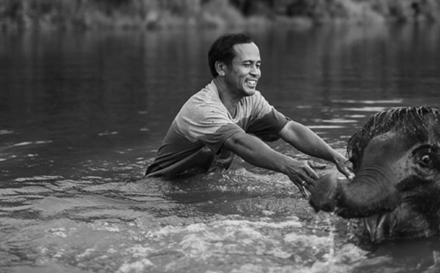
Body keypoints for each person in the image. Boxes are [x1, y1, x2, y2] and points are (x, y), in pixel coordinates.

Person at [144, 32, 352, 195]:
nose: (256, 72)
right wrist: (289, 166)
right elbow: (240, 143)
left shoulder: (251, 100)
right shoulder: (203, 109)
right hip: (162, 190)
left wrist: (335, 157)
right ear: (221, 68)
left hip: (200, 183)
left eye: (258, 65)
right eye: (247, 64)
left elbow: (289, 129)